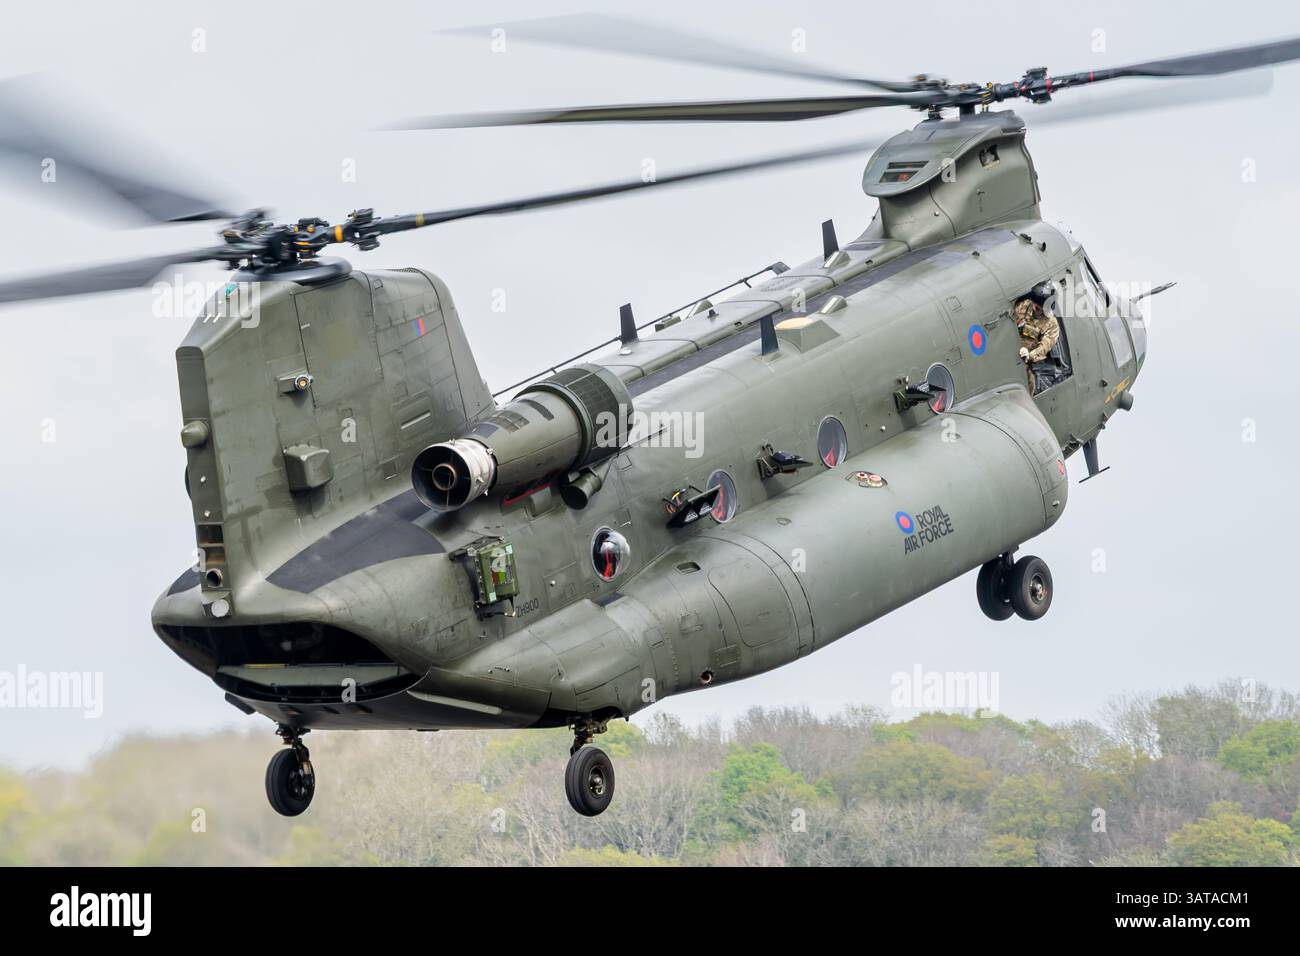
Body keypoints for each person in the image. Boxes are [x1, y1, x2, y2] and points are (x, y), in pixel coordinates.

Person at [1014, 295, 1059, 394]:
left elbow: (1045, 346)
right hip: (1011, 344)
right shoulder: (1024, 306)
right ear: (1033, 304)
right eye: (1038, 308)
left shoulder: (1051, 323)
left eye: (1045, 310)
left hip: (1024, 356)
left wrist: (1029, 355)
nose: (1041, 312)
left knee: (1030, 384)